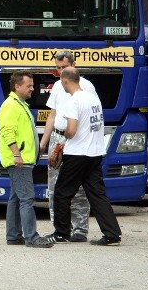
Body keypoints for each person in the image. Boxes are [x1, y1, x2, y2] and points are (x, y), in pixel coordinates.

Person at [49, 67, 122, 246]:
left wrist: (62, 140)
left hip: (77, 153)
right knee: (97, 194)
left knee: (61, 193)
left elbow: (72, 130)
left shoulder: (74, 101)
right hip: (95, 152)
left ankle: (61, 233)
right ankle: (112, 234)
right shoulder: (93, 98)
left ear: (65, 81)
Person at [40, 50, 94, 242]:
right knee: (54, 186)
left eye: (65, 67)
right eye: (58, 68)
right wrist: (44, 142)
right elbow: (52, 115)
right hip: (58, 137)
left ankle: (80, 229)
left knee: (78, 187)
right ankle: (60, 229)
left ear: (74, 64)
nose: (61, 72)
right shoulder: (56, 86)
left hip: (76, 139)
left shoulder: (86, 86)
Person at [0, 71, 52, 248]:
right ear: (17, 86)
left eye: (32, 85)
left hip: (22, 159)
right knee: (27, 198)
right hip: (19, 161)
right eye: (28, 85)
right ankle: (32, 237)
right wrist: (16, 154)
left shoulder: (19, 104)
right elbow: (8, 132)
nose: (32, 89)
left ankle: (13, 235)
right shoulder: (11, 106)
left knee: (15, 198)